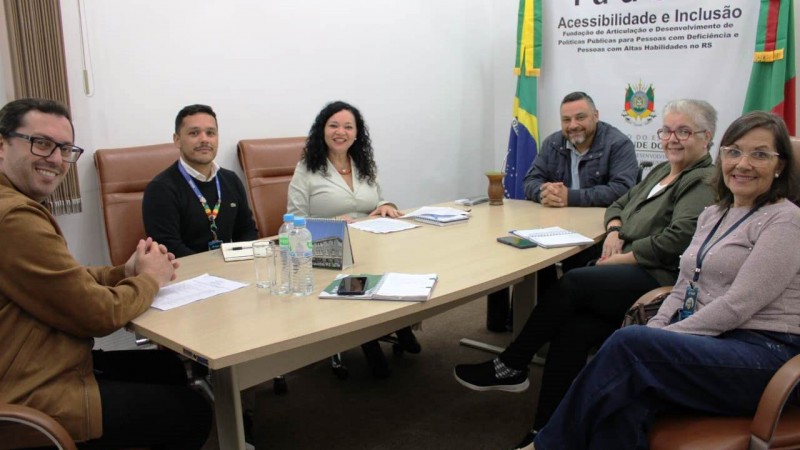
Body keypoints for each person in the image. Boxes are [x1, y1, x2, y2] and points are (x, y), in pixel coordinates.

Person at [526, 110, 800, 450]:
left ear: (780, 166)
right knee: (627, 400)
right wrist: (657, 327)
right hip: (716, 341)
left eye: (759, 154)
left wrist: (661, 338)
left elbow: (737, 306)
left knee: (629, 347)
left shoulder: (786, 221)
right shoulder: (715, 213)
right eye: (733, 152)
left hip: (766, 356)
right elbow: (685, 285)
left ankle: (545, 445)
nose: (742, 163)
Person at [455, 99, 719, 449]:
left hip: (657, 278)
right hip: (629, 262)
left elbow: (677, 239)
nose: (672, 139)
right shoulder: (661, 170)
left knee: (575, 282)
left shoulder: (701, 179)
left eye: (683, 131)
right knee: (572, 330)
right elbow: (622, 201)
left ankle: (512, 362)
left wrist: (621, 258)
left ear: (707, 137)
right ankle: (545, 433)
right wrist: (613, 228)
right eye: (667, 130)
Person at [0, 98, 211, 449]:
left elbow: (63, 278)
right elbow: (97, 315)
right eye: (41, 143)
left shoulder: (17, 205)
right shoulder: (14, 218)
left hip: (45, 359)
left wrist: (123, 271)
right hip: (33, 388)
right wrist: (148, 279)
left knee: (170, 369)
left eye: (64, 148)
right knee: (192, 412)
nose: (54, 158)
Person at [487, 92, 639, 332]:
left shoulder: (617, 144)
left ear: (596, 116)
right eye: (566, 120)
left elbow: (623, 190)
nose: (573, 125)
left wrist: (570, 197)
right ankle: (521, 320)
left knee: (573, 263)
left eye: (580, 117)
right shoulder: (553, 143)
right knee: (512, 246)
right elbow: (530, 180)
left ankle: (554, 322)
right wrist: (543, 191)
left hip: (598, 229)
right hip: (553, 225)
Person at [287, 100, 417, 378]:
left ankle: (398, 323)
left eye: (348, 126)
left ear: (357, 134)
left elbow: (377, 199)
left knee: (402, 264)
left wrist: (387, 206)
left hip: (371, 244)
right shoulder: (307, 169)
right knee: (362, 277)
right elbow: (291, 224)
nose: (340, 132)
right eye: (333, 125)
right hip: (329, 250)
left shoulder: (363, 165)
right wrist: (333, 222)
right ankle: (369, 340)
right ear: (322, 130)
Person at [143, 104, 258, 257]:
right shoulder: (160, 189)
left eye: (210, 133)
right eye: (194, 133)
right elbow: (169, 248)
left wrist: (237, 261)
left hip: (231, 271)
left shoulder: (231, 180)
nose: (204, 139)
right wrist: (214, 268)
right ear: (177, 140)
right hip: (185, 275)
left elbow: (247, 231)